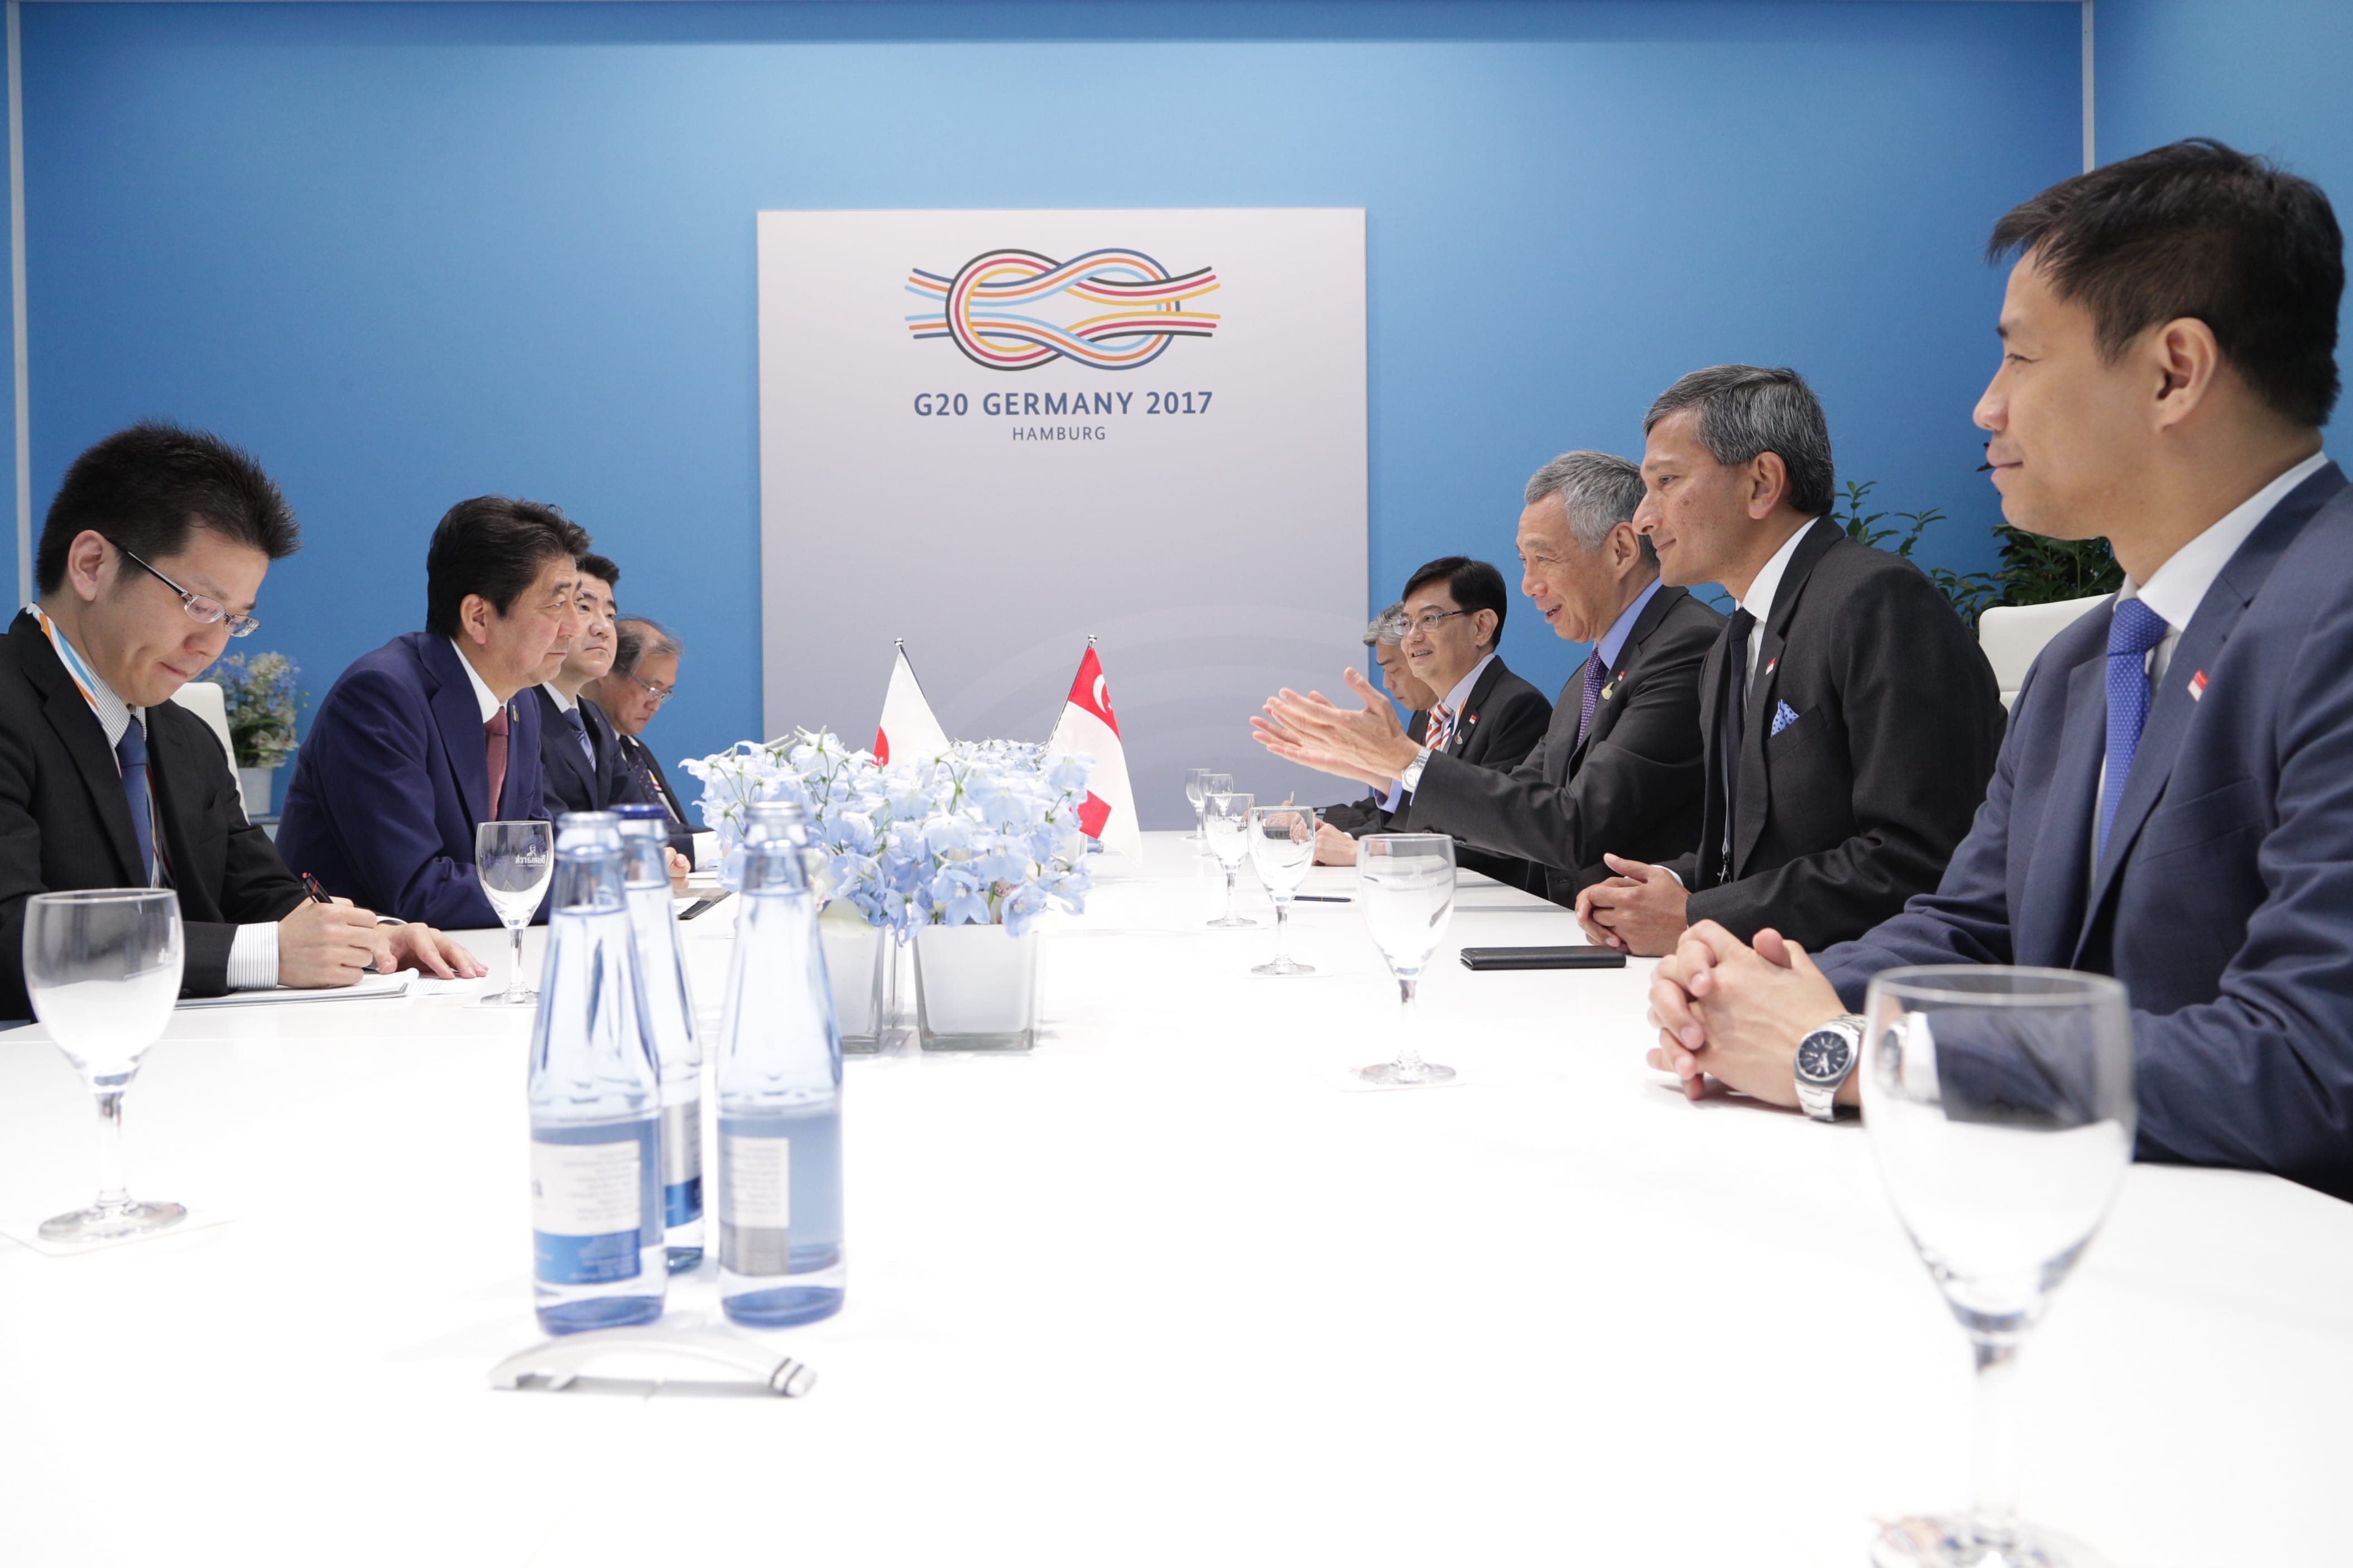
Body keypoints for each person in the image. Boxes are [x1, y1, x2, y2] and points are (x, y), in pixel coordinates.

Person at [1646, 139, 2353, 1201]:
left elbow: (2308, 1062)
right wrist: (1762, 993)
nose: (1987, 407)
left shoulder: (2330, 615)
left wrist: (1851, 1056)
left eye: (2020, 358)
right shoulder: (2083, 663)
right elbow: (1973, 926)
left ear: (2174, 371)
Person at [0, 424, 481, 1018]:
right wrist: (262, 954)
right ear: (93, 564)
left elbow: (259, 889)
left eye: (234, 620)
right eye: (199, 604)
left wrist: (370, 937)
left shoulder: (183, 737)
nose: (211, 645)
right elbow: (13, 931)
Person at [1574, 365, 2004, 955]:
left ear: (1760, 483)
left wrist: (1699, 916)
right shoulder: (1732, 642)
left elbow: (1920, 858)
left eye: (1666, 481)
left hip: (1864, 1002)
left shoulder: (1876, 600)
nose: (1644, 518)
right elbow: (1754, 855)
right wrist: (1669, 886)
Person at [1261, 452, 1721, 905]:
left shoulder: (1684, 647)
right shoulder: (1590, 673)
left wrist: (1405, 762)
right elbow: (1518, 808)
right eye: (1524, 561)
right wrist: (1388, 771)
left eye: (1544, 559)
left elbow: (1573, 825)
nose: (1528, 585)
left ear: (1621, 549)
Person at [277, 497, 588, 930]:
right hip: (365, 975)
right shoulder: (380, 696)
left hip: (470, 956)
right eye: (557, 605)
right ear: (479, 616)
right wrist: (588, 886)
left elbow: (529, 853)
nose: (574, 626)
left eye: (578, 603)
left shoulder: (520, 701)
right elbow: (417, 891)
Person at [1260, 557, 1551, 870]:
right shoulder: (1430, 715)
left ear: (1481, 627)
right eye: (1408, 623)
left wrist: (1365, 851)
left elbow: (1498, 836)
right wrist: (1371, 772)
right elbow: (1419, 817)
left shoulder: (1517, 706)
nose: (1411, 637)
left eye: (1429, 620)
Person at [586, 615, 714, 864]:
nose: (655, 705)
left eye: (664, 694)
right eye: (652, 689)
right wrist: (718, 847)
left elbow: (669, 828)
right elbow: (629, 837)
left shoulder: (635, 750)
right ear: (607, 669)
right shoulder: (584, 749)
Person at [1318, 604, 1437, 836]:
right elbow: (1394, 809)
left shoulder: (1512, 705)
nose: (1386, 684)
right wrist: (1314, 817)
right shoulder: (1425, 717)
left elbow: (1455, 818)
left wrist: (1356, 846)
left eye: (1393, 671)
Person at [534, 553, 631, 816]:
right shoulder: (520, 711)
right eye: (584, 607)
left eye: (610, 615)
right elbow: (549, 825)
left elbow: (635, 813)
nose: (604, 628)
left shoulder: (595, 717)